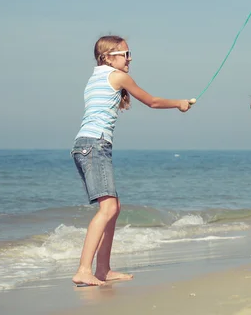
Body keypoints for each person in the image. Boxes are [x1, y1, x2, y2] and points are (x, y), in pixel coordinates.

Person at [71, 35, 192, 285]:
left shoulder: (96, 77)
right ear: (108, 57)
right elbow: (152, 101)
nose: (130, 58)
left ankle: (103, 269)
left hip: (87, 145)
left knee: (114, 209)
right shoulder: (117, 76)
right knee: (108, 209)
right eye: (125, 53)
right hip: (94, 145)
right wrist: (179, 104)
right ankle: (83, 270)